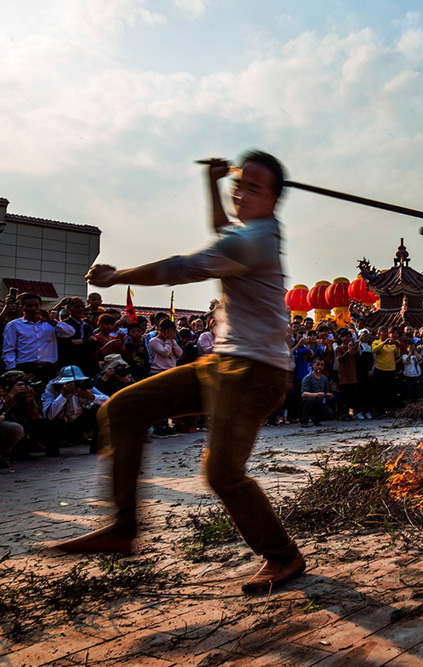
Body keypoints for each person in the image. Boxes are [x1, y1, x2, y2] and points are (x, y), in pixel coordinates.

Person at [53, 151, 306, 595]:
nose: (242, 193)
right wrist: (212, 183)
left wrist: (116, 276)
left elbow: (181, 267)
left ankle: (283, 555)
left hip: (256, 372)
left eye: (255, 188)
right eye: (239, 184)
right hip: (221, 363)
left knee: (222, 474)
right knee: (122, 408)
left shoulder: (256, 241)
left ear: (274, 199)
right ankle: (122, 528)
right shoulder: (247, 234)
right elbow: (221, 230)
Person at [3, 294, 75, 384]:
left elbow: (70, 332)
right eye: (29, 306)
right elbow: (9, 349)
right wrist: (13, 370)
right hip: (25, 368)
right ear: (21, 308)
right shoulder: (14, 325)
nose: (33, 309)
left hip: (49, 368)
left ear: (40, 307)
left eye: (36, 305)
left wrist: (51, 321)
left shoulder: (50, 323)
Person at [40, 365, 109, 455]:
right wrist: (63, 395)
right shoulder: (51, 388)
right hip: (59, 425)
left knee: (98, 410)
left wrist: (92, 397)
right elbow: (49, 415)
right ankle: (52, 448)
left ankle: (96, 446)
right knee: (50, 423)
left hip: (78, 423)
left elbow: (109, 401)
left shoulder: (84, 385)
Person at [300, 357, 335, 427]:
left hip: (319, 402)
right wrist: (316, 395)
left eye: (322, 365)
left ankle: (316, 419)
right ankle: (304, 421)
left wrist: (328, 395)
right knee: (310, 400)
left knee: (330, 414)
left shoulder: (324, 378)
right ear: (313, 365)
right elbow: (303, 394)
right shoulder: (308, 378)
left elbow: (326, 391)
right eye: (318, 365)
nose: (320, 367)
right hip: (309, 401)